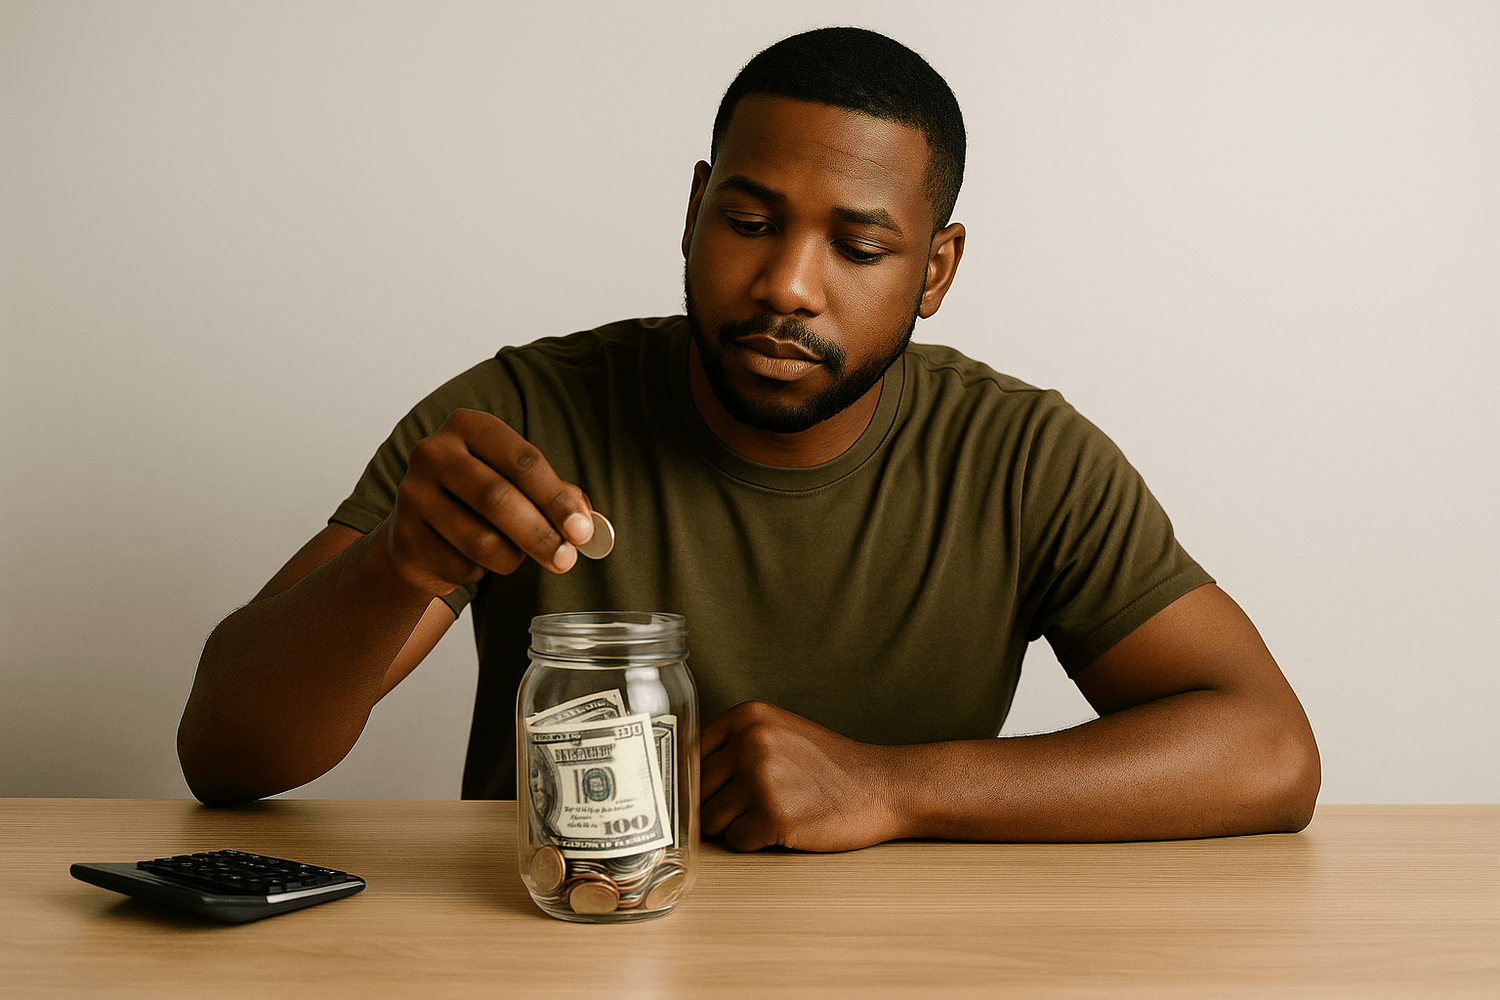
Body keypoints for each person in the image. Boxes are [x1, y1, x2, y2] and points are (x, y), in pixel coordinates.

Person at [179, 27, 1320, 851]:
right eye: (749, 220)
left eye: (859, 248)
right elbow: (225, 756)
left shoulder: (1022, 455)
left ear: (936, 270)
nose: (786, 283)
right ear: (692, 209)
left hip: (910, 971)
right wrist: (397, 568)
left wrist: (891, 789)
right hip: (559, 951)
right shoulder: (521, 419)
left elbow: (1268, 750)